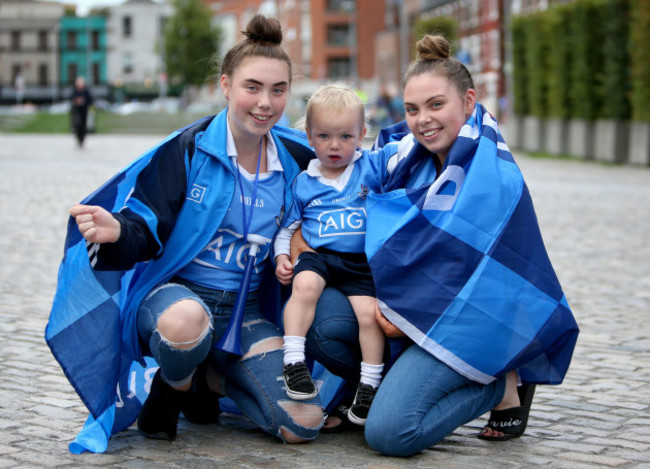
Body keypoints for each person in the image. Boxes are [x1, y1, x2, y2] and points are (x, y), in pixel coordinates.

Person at [50, 15, 324, 452]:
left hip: (248, 310)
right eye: (251, 87)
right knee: (185, 323)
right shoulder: (189, 148)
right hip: (177, 300)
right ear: (226, 86)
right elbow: (146, 225)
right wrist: (117, 229)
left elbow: (351, 182)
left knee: (303, 422)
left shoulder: (298, 157)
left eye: (278, 90)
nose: (265, 103)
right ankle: (174, 385)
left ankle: (210, 381)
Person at [297, 34, 579, 455]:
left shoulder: (492, 180)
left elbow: (479, 287)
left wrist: (398, 308)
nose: (422, 119)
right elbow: (336, 162)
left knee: (390, 434)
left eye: (435, 105)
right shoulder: (402, 157)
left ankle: (498, 381)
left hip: (465, 325)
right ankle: (382, 388)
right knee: (318, 323)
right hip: (405, 311)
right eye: (412, 109)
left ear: (468, 102)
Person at [274, 84, 398, 425]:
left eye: (345, 136)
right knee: (305, 287)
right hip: (320, 255)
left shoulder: (368, 169)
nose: (334, 145)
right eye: (324, 136)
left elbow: (405, 151)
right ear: (310, 137)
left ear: (361, 135)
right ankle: (294, 361)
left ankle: (369, 383)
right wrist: (281, 258)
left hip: (360, 263)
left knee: (368, 315)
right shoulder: (303, 182)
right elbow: (287, 228)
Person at [70, 76, 93, 147]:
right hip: (77, 111)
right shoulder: (75, 91)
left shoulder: (86, 91)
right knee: (77, 124)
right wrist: (77, 101)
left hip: (84, 111)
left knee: (83, 126)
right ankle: (78, 138)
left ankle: (82, 140)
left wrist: (83, 101)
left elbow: (90, 101)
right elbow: (71, 99)